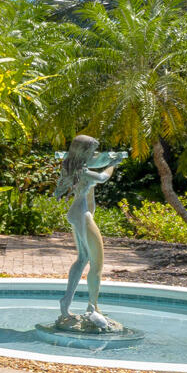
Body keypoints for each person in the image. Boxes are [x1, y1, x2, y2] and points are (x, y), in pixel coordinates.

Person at [53, 134, 123, 328]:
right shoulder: (83, 171)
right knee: (97, 263)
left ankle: (66, 301)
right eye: (92, 151)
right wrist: (114, 163)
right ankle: (93, 307)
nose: (94, 154)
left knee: (82, 259)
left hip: (77, 212)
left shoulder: (71, 166)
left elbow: (95, 162)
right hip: (83, 215)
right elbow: (102, 177)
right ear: (84, 152)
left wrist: (106, 158)